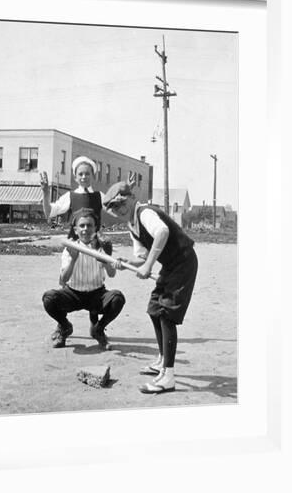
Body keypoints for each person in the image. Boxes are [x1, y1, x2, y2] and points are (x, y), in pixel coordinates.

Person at [103, 181, 198, 393]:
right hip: (171, 265)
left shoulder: (144, 213)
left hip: (183, 262)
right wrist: (122, 261)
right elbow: (142, 257)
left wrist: (147, 266)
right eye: (114, 208)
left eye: (121, 204)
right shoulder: (131, 225)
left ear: (130, 199)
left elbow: (162, 232)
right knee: (155, 309)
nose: (119, 210)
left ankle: (168, 376)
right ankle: (162, 359)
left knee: (166, 313)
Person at [40, 156, 113, 329]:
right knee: (67, 282)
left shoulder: (99, 196)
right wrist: (45, 192)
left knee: (94, 282)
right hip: (75, 245)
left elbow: (116, 209)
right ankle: (62, 325)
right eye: (80, 174)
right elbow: (50, 212)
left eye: (87, 174)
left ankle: (96, 326)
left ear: (92, 175)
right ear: (75, 176)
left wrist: (125, 192)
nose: (83, 177)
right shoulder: (70, 196)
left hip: (95, 244)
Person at [42, 207, 125, 350]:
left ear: (95, 229)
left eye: (89, 225)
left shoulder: (101, 248)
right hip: (74, 293)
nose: (85, 229)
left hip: (97, 294)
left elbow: (111, 274)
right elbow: (63, 279)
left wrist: (105, 260)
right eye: (82, 226)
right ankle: (65, 327)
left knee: (118, 298)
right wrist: (73, 260)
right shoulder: (70, 248)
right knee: (49, 298)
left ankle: (98, 329)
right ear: (75, 230)